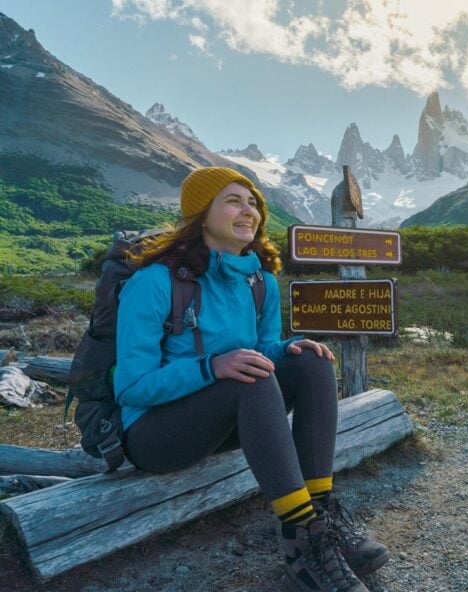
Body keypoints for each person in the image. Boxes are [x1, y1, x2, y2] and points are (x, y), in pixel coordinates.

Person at [113, 167, 388, 592]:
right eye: (233, 201)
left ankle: (322, 516)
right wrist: (211, 367)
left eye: (253, 203)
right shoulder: (153, 282)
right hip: (155, 434)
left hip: (226, 421)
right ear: (202, 215)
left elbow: (262, 349)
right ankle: (303, 549)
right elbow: (131, 387)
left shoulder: (259, 281)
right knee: (248, 376)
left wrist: (290, 349)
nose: (250, 211)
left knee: (311, 362)